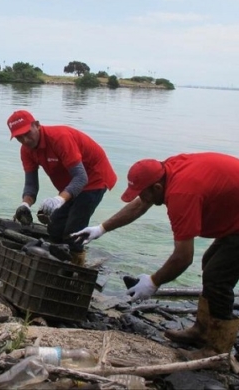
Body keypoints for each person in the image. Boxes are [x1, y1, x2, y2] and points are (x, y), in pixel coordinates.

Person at [72, 152, 239, 359]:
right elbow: (141, 204)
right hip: (234, 213)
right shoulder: (164, 172)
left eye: (143, 193)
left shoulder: (181, 194)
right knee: (210, 263)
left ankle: (217, 353)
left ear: (157, 188)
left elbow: (183, 257)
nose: (141, 198)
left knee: (217, 280)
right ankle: (202, 330)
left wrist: (153, 282)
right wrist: (102, 228)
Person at [8, 110, 117, 266]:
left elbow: (81, 178)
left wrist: (59, 199)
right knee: (54, 228)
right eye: (19, 137)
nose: (25, 140)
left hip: (94, 179)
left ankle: (77, 265)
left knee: (73, 231)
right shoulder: (26, 150)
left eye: (27, 133)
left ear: (37, 125)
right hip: (71, 184)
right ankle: (60, 262)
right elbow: (31, 184)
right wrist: (25, 204)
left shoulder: (59, 138)